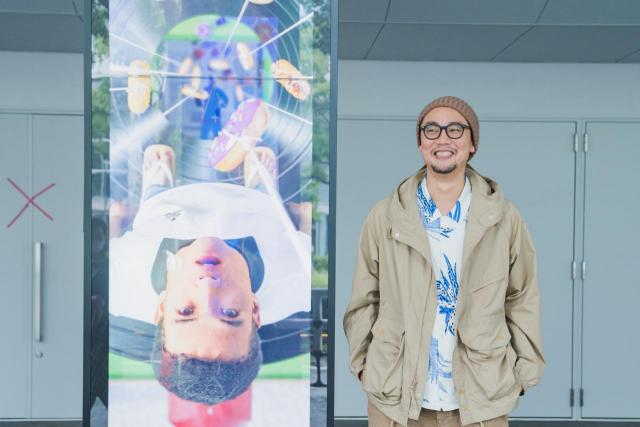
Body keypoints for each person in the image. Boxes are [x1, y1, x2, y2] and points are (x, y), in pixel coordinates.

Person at [343, 96, 544, 426]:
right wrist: (364, 366)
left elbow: (522, 297)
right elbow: (364, 299)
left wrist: (523, 374)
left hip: (482, 398)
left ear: (472, 143)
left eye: (455, 129)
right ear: (421, 143)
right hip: (396, 397)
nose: (443, 139)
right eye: (431, 130)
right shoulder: (386, 216)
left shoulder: (504, 218)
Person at [109, 144, 311, 404]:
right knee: (264, 196)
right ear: (255, 309)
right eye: (230, 313)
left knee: (156, 194)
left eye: (185, 311)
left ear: (160, 307)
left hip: (166, 211)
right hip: (253, 208)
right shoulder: (295, 276)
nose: (207, 286)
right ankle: (258, 184)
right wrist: (305, 218)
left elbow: (113, 244)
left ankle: (158, 186)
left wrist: (115, 218)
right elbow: (305, 239)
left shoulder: (124, 278)